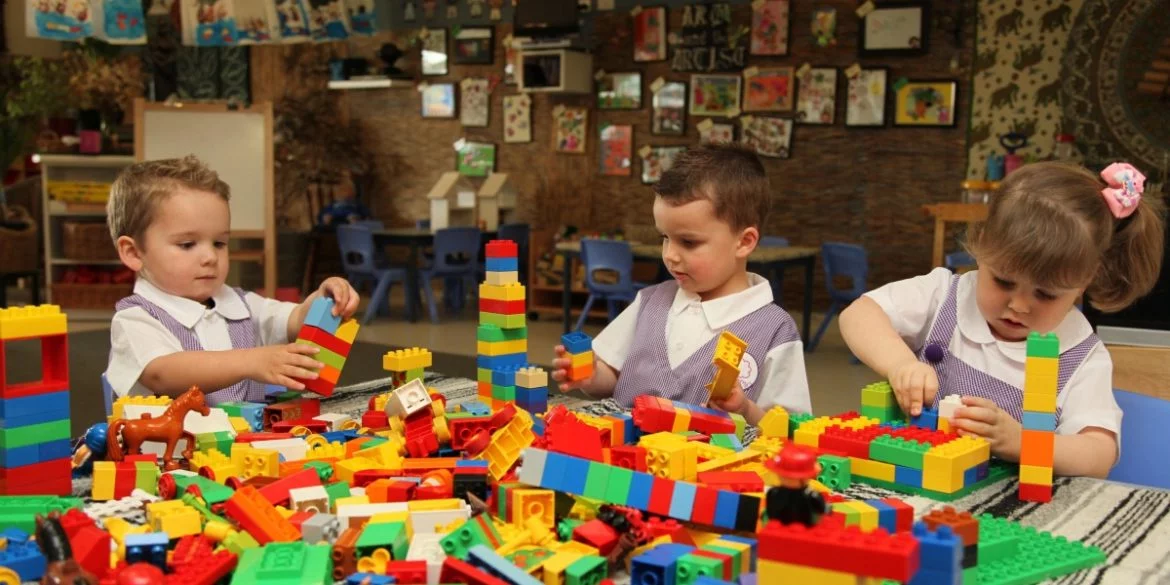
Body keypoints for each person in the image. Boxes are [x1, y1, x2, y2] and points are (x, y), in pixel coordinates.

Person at [840, 162, 1164, 478]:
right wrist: (900, 365)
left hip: (1009, 510)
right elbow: (859, 314)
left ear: (1085, 280)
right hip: (915, 482)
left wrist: (1021, 443)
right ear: (981, 248)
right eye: (1003, 282)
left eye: (1046, 295)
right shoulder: (944, 296)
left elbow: (1098, 454)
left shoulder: (1079, 357)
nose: (1019, 306)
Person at [551, 145, 811, 425]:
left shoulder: (774, 331)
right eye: (664, 237)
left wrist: (746, 409)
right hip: (628, 458)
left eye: (688, 242)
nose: (670, 255)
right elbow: (613, 375)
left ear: (744, 242)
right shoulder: (651, 301)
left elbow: (790, 428)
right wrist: (590, 374)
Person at [104, 156, 360, 404]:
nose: (209, 257)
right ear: (134, 252)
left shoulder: (240, 304)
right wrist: (250, 361)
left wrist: (325, 299)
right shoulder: (136, 318)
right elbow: (161, 372)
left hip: (246, 443)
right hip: (173, 446)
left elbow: (295, 320)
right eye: (187, 244)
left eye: (219, 243)